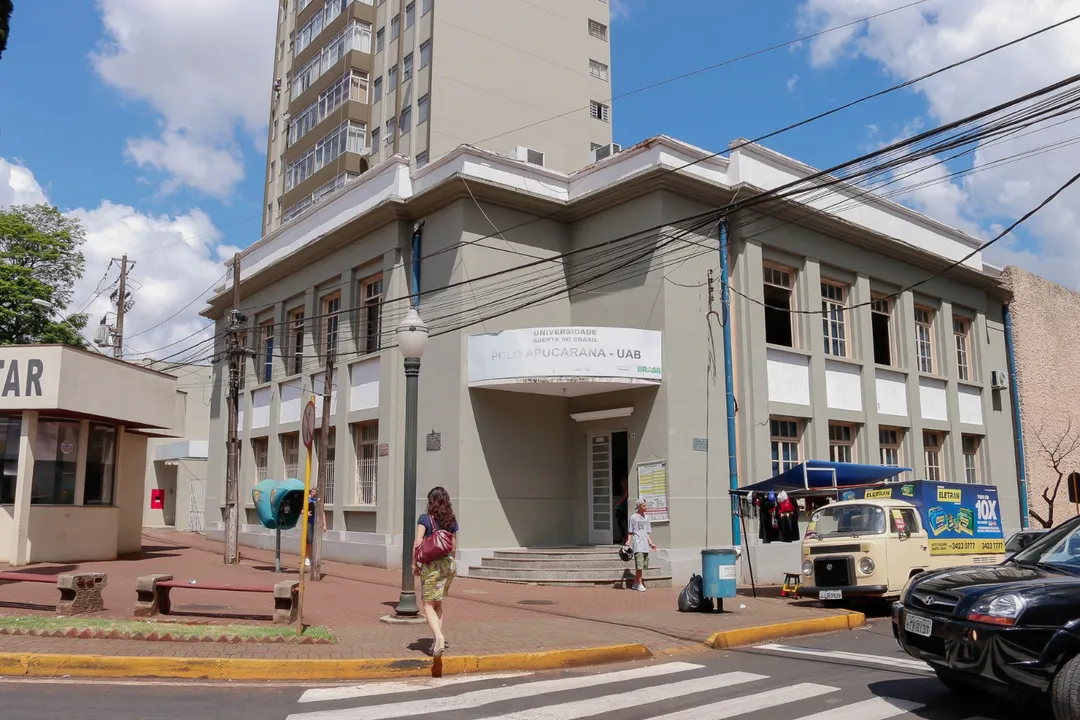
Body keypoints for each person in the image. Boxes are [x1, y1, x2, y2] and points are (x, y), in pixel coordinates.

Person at [414, 486, 458, 656]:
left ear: (430, 502)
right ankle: (436, 643)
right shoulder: (452, 521)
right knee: (438, 603)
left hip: (431, 566)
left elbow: (417, 543)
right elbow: (453, 547)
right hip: (448, 564)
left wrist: (414, 565)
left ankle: (438, 636)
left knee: (427, 604)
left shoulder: (424, 519)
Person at [624, 498, 656, 591]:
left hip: (645, 544)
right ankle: (640, 584)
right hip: (637, 544)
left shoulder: (647, 518)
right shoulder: (633, 518)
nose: (646, 507)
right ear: (639, 507)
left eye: (646, 505)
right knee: (639, 565)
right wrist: (628, 542)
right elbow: (630, 532)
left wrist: (651, 543)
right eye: (644, 505)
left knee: (642, 565)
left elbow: (647, 533)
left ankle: (635, 583)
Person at [304, 488, 327, 568]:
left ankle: (313, 557)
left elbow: (322, 512)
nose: (314, 492)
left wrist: (324, 525)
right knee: (309, 541)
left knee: (315, 541)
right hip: (309, 523)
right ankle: (307, 557)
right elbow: (301, 510)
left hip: (317, 524)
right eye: (313, 490)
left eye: (315, 490)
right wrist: (305, 512)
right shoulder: (307, 500)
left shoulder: (318, 500)